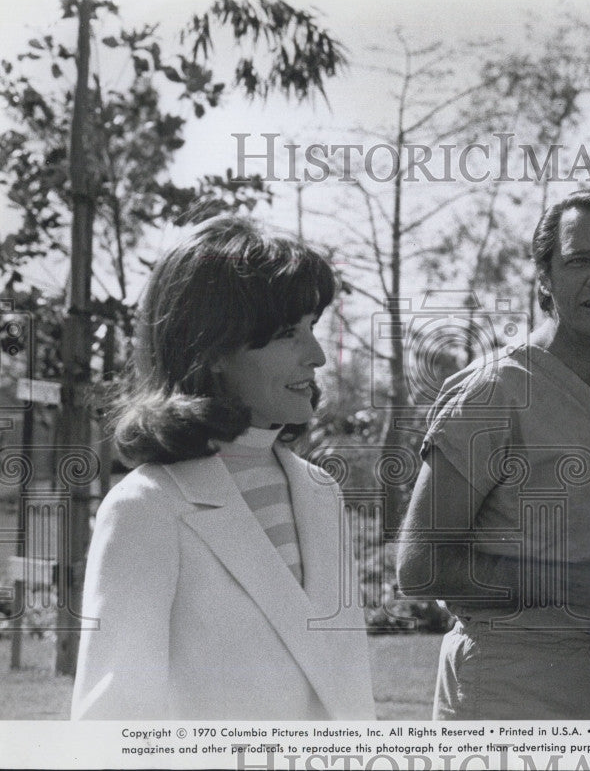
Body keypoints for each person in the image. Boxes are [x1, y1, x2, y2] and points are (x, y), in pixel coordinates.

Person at [396, 186, 590, 720]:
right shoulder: (495, 391)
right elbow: (420, 568)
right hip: (508, 705)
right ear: (545, 278)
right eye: (578, 260)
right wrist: (571, 584)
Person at [71, 214, 375, 720]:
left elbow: (348, 692)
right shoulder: (146, 507)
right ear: (211, 351)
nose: (318, 355)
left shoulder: (321, 491)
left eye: (313, 329)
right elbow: (112, 722)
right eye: (287, 335)